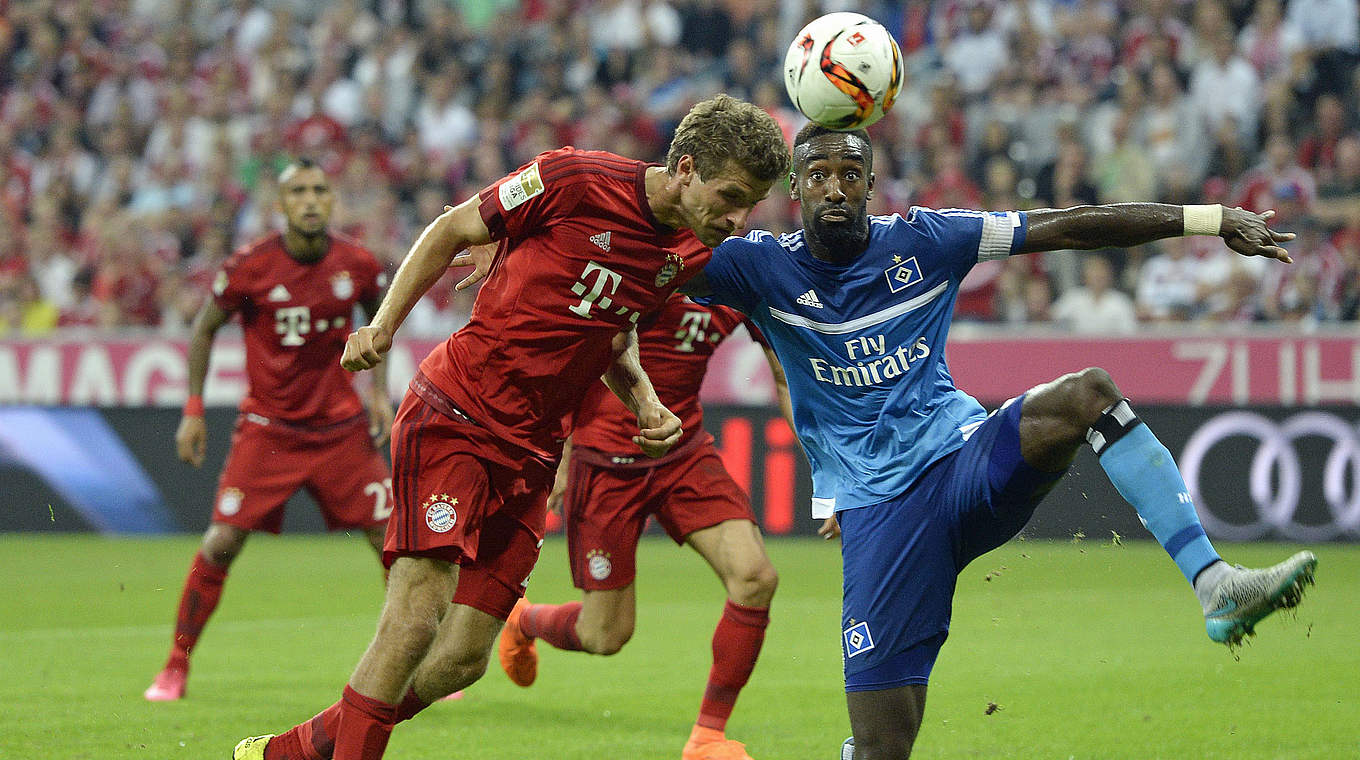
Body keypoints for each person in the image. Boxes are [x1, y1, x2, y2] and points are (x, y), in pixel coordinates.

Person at [683, 124, 1319, 760]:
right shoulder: (758, 266)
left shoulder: (927, 239)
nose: (835, 189)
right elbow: (646, 255)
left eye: (850, 175)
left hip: (962, 462)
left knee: (1088, 394)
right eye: (818, 175)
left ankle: (1216, 586)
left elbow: (1068, 225)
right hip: (880, 513)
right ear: (794, 187)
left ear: (872, 184)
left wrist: (1210, 219)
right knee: (884, 747)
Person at [231, 94, 790, 760]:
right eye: (729, 196)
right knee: (413, 624)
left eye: (750, 205)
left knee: (463, 659)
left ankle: (294, 752)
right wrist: (383, 325)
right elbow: (450, 230)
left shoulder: (687, 253)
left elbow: (609, 334)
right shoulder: (575, 177)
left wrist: (642, 399)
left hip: (533, 450)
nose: (736, 217)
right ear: (688, 166)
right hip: (459, 414)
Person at [497, 294, 793, 760]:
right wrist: (563, 454)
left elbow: (784, 376)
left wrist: (832, 468)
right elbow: (574, 354)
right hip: (606, 462)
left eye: (740, 213)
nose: (732, 217)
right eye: (726, 213)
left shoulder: (739, 275)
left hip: (684, 453)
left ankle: (706, 738)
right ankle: (523, 619)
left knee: (756, 577)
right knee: (605, 636)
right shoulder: (644, 260)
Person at [145, 159, 395, 702]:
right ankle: (175, 666)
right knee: (221, 541)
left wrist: (379, 393)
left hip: (340, 428)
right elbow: (204, 329)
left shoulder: (359, 263)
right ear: (280, 206)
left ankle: (413, 669)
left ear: (332, 201)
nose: (310, 200)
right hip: (269, 429)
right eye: (298, 192)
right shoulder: (248, 266)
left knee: (394, 543)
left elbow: (380, 319)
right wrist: (193, 408)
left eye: (320, 190)